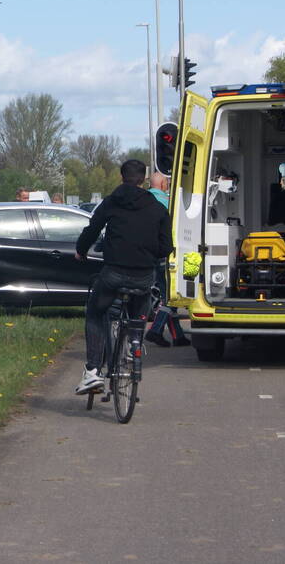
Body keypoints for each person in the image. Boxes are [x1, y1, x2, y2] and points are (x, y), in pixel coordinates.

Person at [73, 160, 173, 394]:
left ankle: (93, 372)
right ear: (144, 180)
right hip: (143, 276)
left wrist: (81, 250)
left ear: (121, 177)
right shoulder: (158, 207)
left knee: (96, 313)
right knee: (139, 311)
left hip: (114, 273)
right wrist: (150, 255)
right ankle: (134, 344)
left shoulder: (111, 202)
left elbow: (92, 229)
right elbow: (166, 246)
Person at [145, 172, 190, 347]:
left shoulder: (144, 201)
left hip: (149, 253)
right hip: (165, 253)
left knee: (166, 293)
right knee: (170, 295)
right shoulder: (167, 203)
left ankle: (178, 336)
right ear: (164, 185)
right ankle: (155, 330)